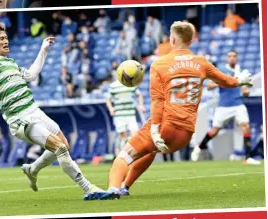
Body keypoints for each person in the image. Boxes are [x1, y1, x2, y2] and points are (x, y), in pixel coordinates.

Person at [84, 21, 253, 200]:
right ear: (191, 41)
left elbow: (157, 101)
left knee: (123, 156)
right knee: (150, 151)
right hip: (185, 134)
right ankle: (125, 186)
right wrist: (239, 80)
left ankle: (113, 189)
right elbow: (226, 81)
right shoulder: (202, 63)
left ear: (172, 40)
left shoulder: (160, 64)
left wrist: (155, 130)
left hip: (165, 127)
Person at [0, 18, 103, 200]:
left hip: (35, 111)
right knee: (60, 148)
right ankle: (89, 189)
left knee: (65, 145)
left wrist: (43, 50)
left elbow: (31, 76)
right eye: (1, 38)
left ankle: (32, 168)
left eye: (6, 37)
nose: (6, 41)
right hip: (20, 119)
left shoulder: (11, 63)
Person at [191, 51, 261, 165]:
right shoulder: (222, 71)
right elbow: (209, 86)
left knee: (246, 127)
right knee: (214, 131)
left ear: (237, 58)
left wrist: (246, 91)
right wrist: (224, 82)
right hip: (224, 106)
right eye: (229, 56)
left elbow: (244, 91)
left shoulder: (240, 72)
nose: (232, 58)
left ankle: (247, 158)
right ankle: (199, 147)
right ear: (226, 58)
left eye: (234, 56)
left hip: (238, 104)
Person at [106, 80, 145, 157]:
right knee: (122, 137)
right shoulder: (113, 86)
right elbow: (108, 99)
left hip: (130, 114)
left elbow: (139, 94)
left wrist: (141, 105)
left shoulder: (130, 84)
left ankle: (132, 155)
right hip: (119, 115)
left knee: (134, 135)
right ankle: (121, 156)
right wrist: (111, 108)